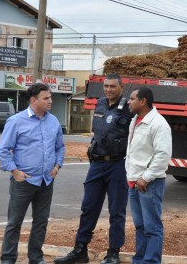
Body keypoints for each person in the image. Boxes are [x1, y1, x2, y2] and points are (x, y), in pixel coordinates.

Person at [55, 74, 133, 264]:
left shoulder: (130, 108)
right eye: (106, 86)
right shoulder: (99, 104)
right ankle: (80, 250)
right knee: (88, 207)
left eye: (113, 86)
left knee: (116, 211)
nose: (108, 90)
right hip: (97, 164)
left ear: (121, 87)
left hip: (117, 164)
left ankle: (113, 253)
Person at [0, 83, 65, 264]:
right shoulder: (16, 121)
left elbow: (60, 147)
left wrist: (57, 166)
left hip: (46, 181)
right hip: (23, 182)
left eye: (50, 97)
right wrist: (14, 171)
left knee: (41, 222)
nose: (50, 101)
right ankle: (8, 259)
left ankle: (36, 258)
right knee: (14, 223)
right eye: (46, 98)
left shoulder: (54, 121)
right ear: (33, 100)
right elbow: (3, 150)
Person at [126, 87, 172, 264]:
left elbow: (163, 155)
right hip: (134, 181)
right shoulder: (135, 120)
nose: (129, 102)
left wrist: (146, 177)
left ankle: (151, 261)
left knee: (152, 227)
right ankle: (140, 259)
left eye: (132, 99)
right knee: (140, 226)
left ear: (143, 101)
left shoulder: (158, 124)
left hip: (148, 183)